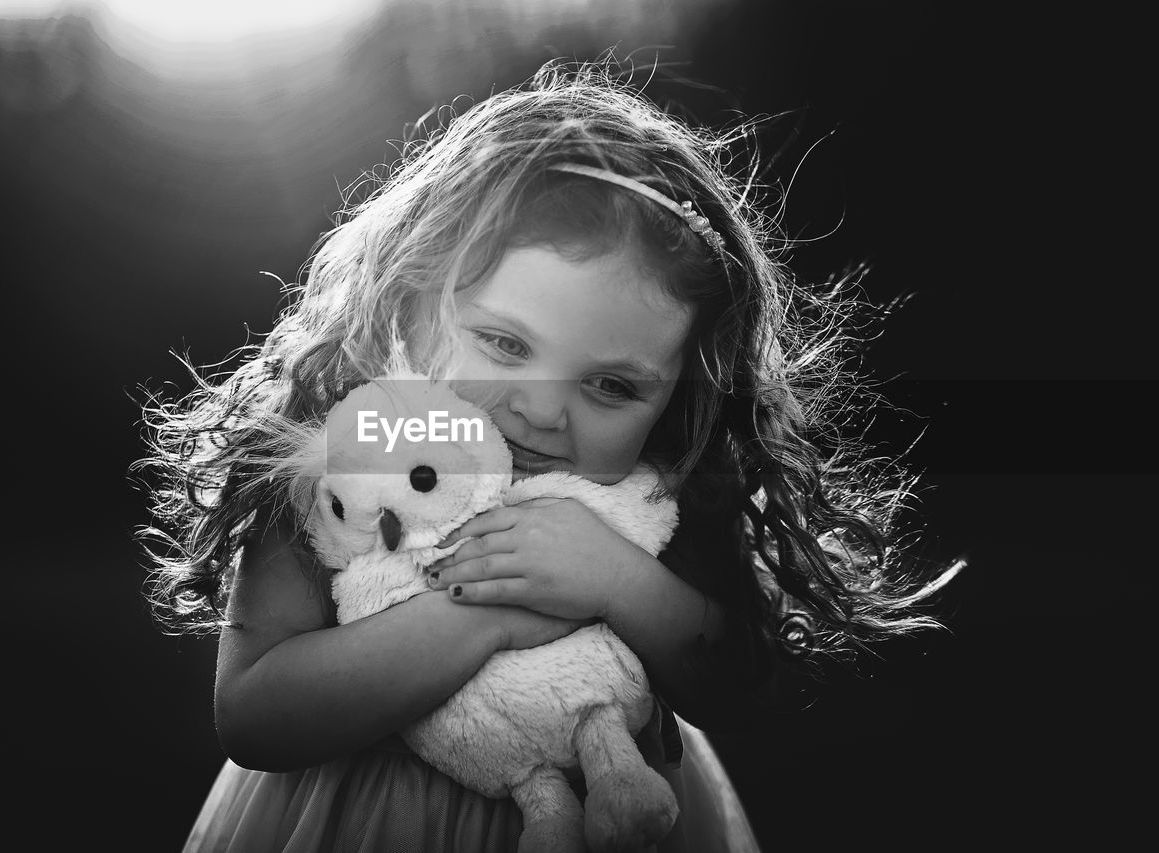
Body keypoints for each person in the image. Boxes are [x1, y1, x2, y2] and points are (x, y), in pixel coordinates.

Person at [139, 60, 956, 853]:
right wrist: (496, 612)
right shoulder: (338, 456)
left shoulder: (663, 487)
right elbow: (254, 714)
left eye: (609, 384)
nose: (539, 408)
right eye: (501, 342)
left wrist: (617, 580)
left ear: (682, 396)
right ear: (416, 294)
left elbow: (748, 687)